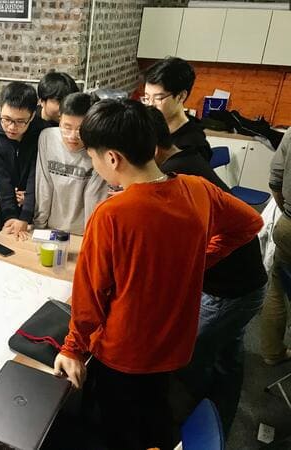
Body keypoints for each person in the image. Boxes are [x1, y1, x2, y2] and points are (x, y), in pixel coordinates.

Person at [53, 99, 263, 450]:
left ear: (113, 158)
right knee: (154, 411)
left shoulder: (112, 215)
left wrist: (72, 348)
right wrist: (199, 260)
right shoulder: (198, 189)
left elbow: (89, 297)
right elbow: (250, 222)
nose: (94, 164)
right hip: (174, 347)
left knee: (117, 429)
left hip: (124, 355)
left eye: (93, 157)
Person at [151, 106, 267, 436]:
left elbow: (248, 221)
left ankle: (189, 429)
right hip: (244, 282)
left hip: (229, 290)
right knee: (227, 353)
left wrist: (197, 263)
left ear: (152, 148)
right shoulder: (184, 158)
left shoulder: (179, 177)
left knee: (188, 360)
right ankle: (222, 419)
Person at [34, 92, 107, 235]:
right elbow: (44, 184)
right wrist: (39, 226)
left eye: (80, 130)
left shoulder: (98, 150)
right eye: (67, 127)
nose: (72, 136)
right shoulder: (47, 137)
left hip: (83, 232)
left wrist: (90, 237)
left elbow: (93, 198)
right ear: (59, 119)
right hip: (50, 228)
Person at [0, 81, 47, 238]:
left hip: (38, 206)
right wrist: (11, 216)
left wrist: (25, 215)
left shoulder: (44, 133)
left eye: (20, 121)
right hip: (9, 203)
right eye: (6, 119)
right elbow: (1, 179)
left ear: (32, 115)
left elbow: (35, 175)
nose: (12, 127)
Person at [143, 56, 212, 161]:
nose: (150, 105)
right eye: (146, 98)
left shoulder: (193, 146)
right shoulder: (149, 126)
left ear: (181, 96)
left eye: (158, 98)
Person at [261, 128, 291, 365]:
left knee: (278, 285)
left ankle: (272, 352)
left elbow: (275, 181)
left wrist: (287, 213)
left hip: (288, 224)